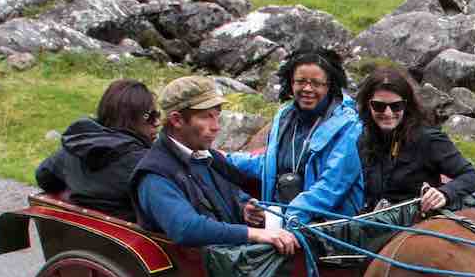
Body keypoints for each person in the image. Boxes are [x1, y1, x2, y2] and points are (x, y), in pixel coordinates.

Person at [134, 76, 298, 254]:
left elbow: (233, 192)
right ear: (177, 120)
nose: (216, 127)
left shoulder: (207, 156)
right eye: (206, 117)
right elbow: (186, 228)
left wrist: (244, 209)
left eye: (217, 116)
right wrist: (255, 234)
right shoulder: (154, 175)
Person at [218, 49, 363, 226]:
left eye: (316, 83)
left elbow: (333, 185)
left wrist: (285, 221)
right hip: (284, 218)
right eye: (301, 81)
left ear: (330, 86)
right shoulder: (284, 117)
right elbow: (271, 165)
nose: (307, 89)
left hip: (327, 225)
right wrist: (225, 159)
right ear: (290, 82)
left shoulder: (349, 125)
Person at [354, 65, 475, 215]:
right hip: (378, 219)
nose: (388, 113)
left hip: (419, 221)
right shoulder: (364, 140)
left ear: (406, 105)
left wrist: (445, 194)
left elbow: (470, 175)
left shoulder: (428, 139)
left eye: (396, 106)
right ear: (368, 105)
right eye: (379, 106)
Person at [34, 79, 157, 222]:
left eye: (157, 115)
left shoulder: (74, 148)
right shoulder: (145, 163)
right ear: (130, 118)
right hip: (133, 240)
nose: (157, 122)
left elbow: (43, 177)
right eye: (150, 116)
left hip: (77, 238)